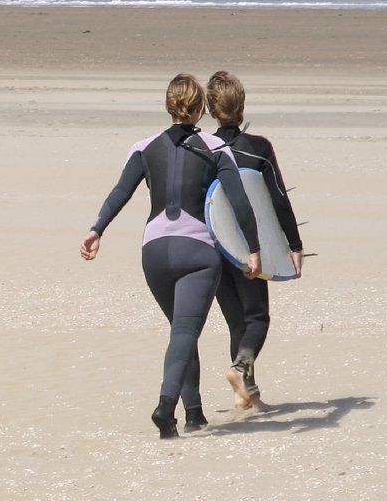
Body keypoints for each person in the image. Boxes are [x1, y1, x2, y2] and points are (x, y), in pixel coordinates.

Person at [80, 75, 262, 438]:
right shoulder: (214, 147)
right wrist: (254, 250)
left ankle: (194, 414)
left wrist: (97, 229)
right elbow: (240, 202)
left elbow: (121, 192)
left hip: (154, 252)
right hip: (196, 252)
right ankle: (166, 407)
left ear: (170, 106)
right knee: (184, 329)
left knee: (182, 331)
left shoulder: (144, 147)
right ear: (199, 109)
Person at [206, 71, 304, 413]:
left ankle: (247, 394)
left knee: (237, 321)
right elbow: (277, 199)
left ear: (210, 109)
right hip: (251, 249)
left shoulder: (203, 147)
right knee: (258, 317)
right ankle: (240, 371)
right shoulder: (259, 147)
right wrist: (294, 244)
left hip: (214, 245)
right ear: (242, 106)